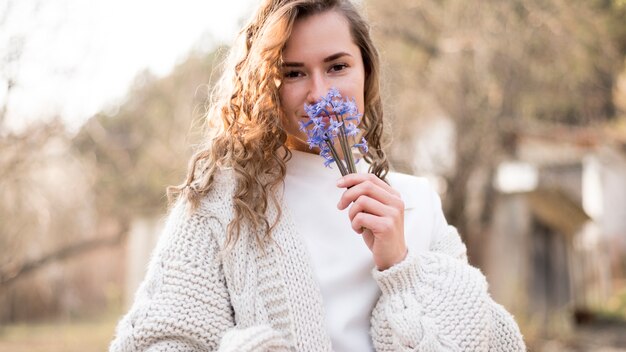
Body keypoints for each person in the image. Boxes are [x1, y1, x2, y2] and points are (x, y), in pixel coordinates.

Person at [109, 0, 526, 351]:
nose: (319, 92)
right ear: (265, 86)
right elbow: (157, 340)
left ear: (366, 71)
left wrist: (400, 263)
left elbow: (489, 339)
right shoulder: (221, 201)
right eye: (293, 73)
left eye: (337, 66)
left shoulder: (416, 200)